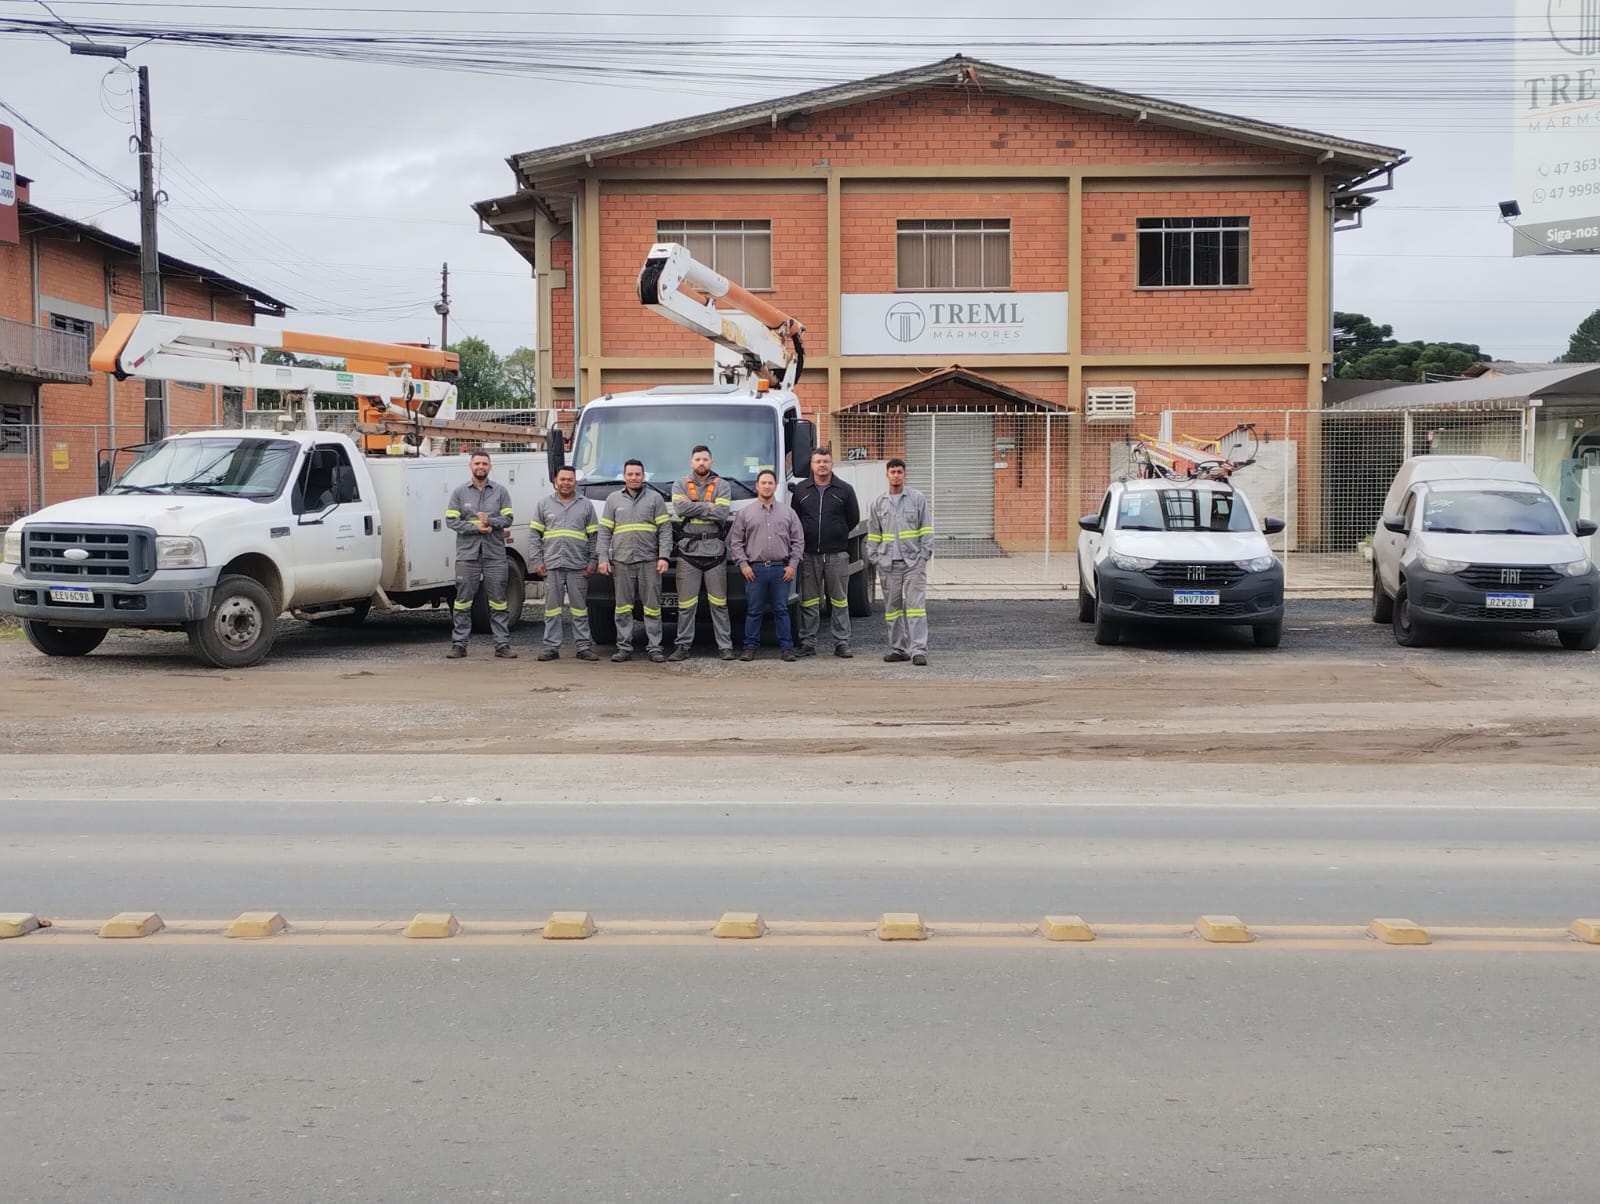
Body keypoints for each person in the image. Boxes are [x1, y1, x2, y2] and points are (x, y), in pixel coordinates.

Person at [596, 458, 671, 663]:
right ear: (624, 476)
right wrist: (603, 558)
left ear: (643, 476)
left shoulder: (655, 499)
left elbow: (665, 530)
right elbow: (604, 532)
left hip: (649, 561)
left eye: (638, 474)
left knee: (652, 607)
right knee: (622, 608)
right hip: (622, 561)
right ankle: (624, 648)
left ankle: (655, 648)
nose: (634, 477)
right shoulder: (613, 500)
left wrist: (664, 556)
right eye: (630, 474)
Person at [444, 450, 516, 659]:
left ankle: (502, 645)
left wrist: (491, 521)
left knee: (498, 601)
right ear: (470, 466)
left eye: (484, 463)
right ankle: (459, 645)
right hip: (468, 555)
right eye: (477, 463)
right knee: (463, 601)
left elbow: (509, 518)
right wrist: (475, 527)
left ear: (490, 467)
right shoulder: (459, 493)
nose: (481, 467)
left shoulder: (501, 492)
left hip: (494, 554)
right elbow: (451, 521)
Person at [728, 468, 805, 661]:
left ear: (774, 485)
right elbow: (736, 542)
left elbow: (798, 540)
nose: (767, 486)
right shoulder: (745, 513)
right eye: (763, 483)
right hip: (755, 570)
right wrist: (744, 565)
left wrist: (792, 565)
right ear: (757, 486)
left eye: (770, 483)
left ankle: (786, 648)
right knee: (754, 610)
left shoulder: (788, 512)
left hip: (781, 570)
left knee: (781, 609)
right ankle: (749, 647)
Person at [790, 445, 860, 659]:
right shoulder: (801, 490)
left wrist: (836, 535)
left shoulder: (844, 490)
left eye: (826, 461)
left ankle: (842, 643)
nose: (822, 465)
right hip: (809, 554)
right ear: (811, 465)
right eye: (818, 462)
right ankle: (808, 642)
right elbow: (795, 520)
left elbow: (853, 519)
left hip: (837, 554)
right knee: (809, 600)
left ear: (831, 464)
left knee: (839, 599)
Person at [668, 445, 735, 662]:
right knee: (686, 605)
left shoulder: (722, 485)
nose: (701, 463)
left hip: (715, 553)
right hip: (688, 553)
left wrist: (694, 505)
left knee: (719, 604)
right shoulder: (679, 484)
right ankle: (682, 646)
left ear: (711, 462)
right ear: (691, 462)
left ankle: (725, 647)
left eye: (705, 459)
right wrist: (708, 506)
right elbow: (680, 509)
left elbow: (722, 512)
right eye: (698, 459)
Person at [529, 464, 600, 662]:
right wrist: (537, 560)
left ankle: (583, 647)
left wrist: (592, 562)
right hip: (552, 565)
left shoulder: (585, 505)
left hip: (578, 565)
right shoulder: (543, 504)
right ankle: (551, 647)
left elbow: (594, 536)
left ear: (575, 481)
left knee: (580, 609)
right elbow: (535, 535)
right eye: (563, 479)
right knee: (552, 609)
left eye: (570, 479)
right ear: (555, 481)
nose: (566, 483)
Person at [867, 457, 934, 666]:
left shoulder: (917, 499)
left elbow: (926, 529)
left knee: (915, 608)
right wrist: (875, 558)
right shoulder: (878, 503)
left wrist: (923, 556)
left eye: (899, 472)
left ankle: (918, 650)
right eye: (892, 472)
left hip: (913, 562)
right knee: (892, 610)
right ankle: (898, 648)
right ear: (886, 474)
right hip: (888, 565)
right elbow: (873, 534)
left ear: (904, 474)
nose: (896, 475)